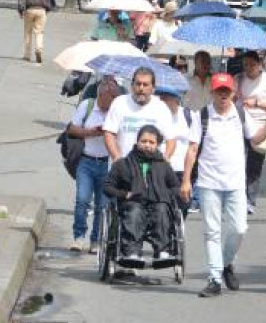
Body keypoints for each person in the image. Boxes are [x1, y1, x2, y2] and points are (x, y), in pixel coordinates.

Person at [182, 73, 266, 298]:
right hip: (209, 182)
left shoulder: (241, 114)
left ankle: (225, 264)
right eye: (219, 91)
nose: (223, 95)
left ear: (234, 93)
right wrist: (186, 180)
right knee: (212, 232)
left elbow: (254, 140)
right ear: (213, 92)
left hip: (235, 182)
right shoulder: (202, 115)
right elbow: (193, 149)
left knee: (239, 229)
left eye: (227, 91)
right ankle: (214, 278)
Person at [103, 124, 179, 263]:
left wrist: (164, 196)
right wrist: (124, 194)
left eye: (151, 142)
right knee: (135, 212)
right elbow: (107, 187)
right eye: (143, 141)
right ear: (137, 142)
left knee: (162, 210)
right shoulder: (122, 164)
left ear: (157, 145)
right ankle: (132, 252)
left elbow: (175, 186)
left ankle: (162, 250)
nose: (147, 145)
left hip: (156, 204)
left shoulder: (164, 165)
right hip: (133, 204)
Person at [66, 77, 121, 253]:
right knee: (82, 200)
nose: (110, 104)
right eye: (109, 100)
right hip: (86, 160)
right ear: (101, 95)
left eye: (113, 100)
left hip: (106, 163)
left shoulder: (115, 111)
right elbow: (72, 129)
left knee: (102, 205)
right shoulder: (87, 106)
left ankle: (96, 240)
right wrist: (91, 132)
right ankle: (79, 236)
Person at [236, 51, 266, 214]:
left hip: (262, 125)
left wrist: (257, 103)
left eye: (252, 64)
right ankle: (238, 198)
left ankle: (250, 200)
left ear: (259, 64)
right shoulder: (239, 79)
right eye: (245, 65)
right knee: (238, 163)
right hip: (241, 123)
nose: (248, 68)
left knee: (254, 165)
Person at [103, 67, 176, 162]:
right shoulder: (119, 103)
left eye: (145, 85)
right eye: (138, 84)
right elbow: (109, 133)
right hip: (123, 167)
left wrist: (165, 160)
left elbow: (171, 139)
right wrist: (117, 157)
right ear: (132, 85)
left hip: (150, 170)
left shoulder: (161, 108)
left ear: (153, 88)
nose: (141, 88)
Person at [155, 86, 197, 215]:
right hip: (160, 169)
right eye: (160, 97)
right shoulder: (155, 116)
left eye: (166, 98)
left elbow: (195, 144)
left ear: (176, 100)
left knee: (183, 205)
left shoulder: (189, 116)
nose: (162, 101)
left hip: (182, 169)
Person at [17, 0, 51, 64]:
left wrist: (20, 10)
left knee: (27, 32)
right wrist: (47, 9)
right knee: (39, 32)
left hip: (29, 9)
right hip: (41, 9)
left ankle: (27, 54)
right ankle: (39, 49)